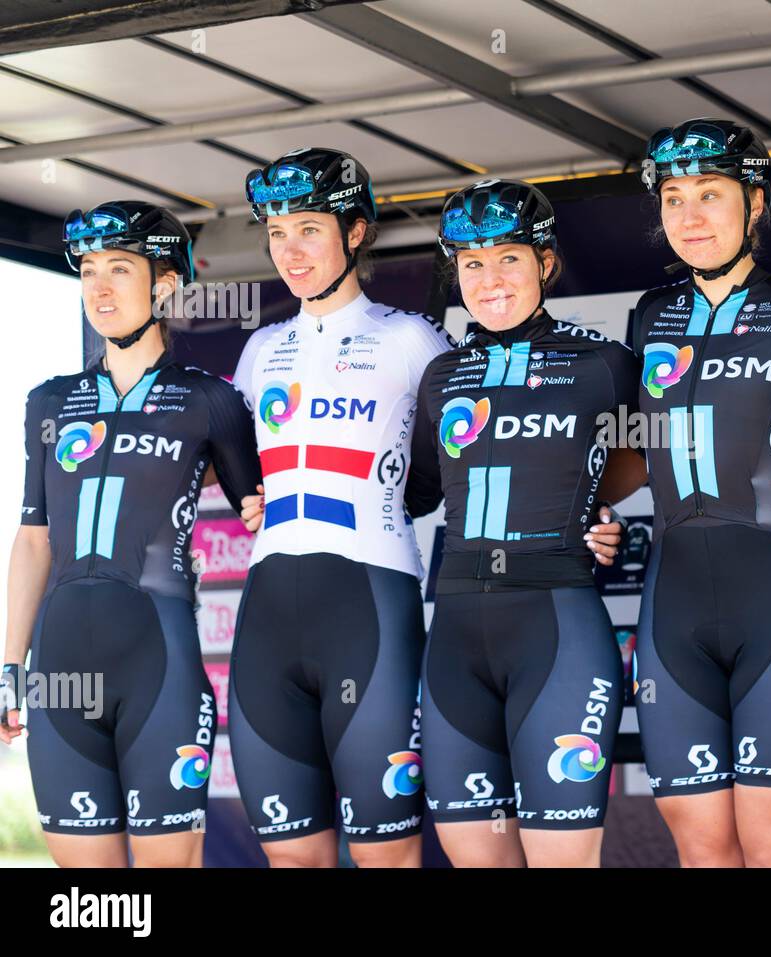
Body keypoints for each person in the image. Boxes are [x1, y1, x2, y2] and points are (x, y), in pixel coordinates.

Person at [603, 118, 771, 867]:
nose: (690, 216)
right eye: (674, 197)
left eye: (711, 194)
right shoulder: (650, 316)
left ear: (756, 203)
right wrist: (578, 507)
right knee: (702, 850)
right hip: (674, 600)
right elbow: (637, 457)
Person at [3, 201, 261, 867]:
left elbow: (267, 513)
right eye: (88, 271)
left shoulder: (212, 399)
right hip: (59, 671)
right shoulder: (48, 401)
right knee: (92, 902)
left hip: (161, 666)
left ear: (167, 283)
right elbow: (34, 538)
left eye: (120, 268)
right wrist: (10, 665)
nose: (100, 287)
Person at [229, 147, 454, 867]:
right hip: (266, 608)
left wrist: (587, 516)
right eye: (277, 232)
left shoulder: (412, 337)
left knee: (385, 852)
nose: (290, 250)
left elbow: (477, 459)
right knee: (293, 855)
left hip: (370, 596)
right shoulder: (262, 348)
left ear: (355, 231)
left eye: (309, 229)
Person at [414, 178, 636, 867]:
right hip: (455, 632)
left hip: (557, 626)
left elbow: (649, 461)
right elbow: (415, 492)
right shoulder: (440, 373)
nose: (489, 280)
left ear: (544, 262)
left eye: (507, 258)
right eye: (472, 263)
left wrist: (594, 505)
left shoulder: (605, 364)